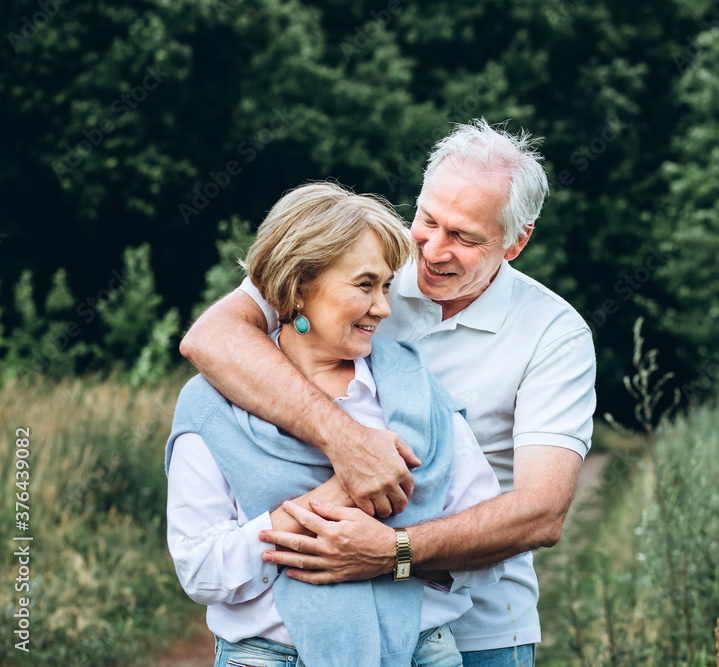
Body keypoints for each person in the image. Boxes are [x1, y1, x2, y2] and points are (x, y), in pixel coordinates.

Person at [181, 119, 598, 666]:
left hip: (473, 630)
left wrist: (391, 554)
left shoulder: (554, 334)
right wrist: (347, 443)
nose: (431, 249)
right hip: (283, 636)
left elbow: (541, 512)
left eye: (465, 237)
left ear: (516, 241)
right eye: (427, 219)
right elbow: (211, 336)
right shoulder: (357, 254)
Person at [166, 182, 505, 667]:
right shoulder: (210, 406)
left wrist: (396, 552)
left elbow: (488, 550)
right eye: (365, 285)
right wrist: (340, 491)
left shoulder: (417, 392)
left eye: (386, 286)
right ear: (299, 286)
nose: (383, 307)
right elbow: (201, 572)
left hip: (422, 654)